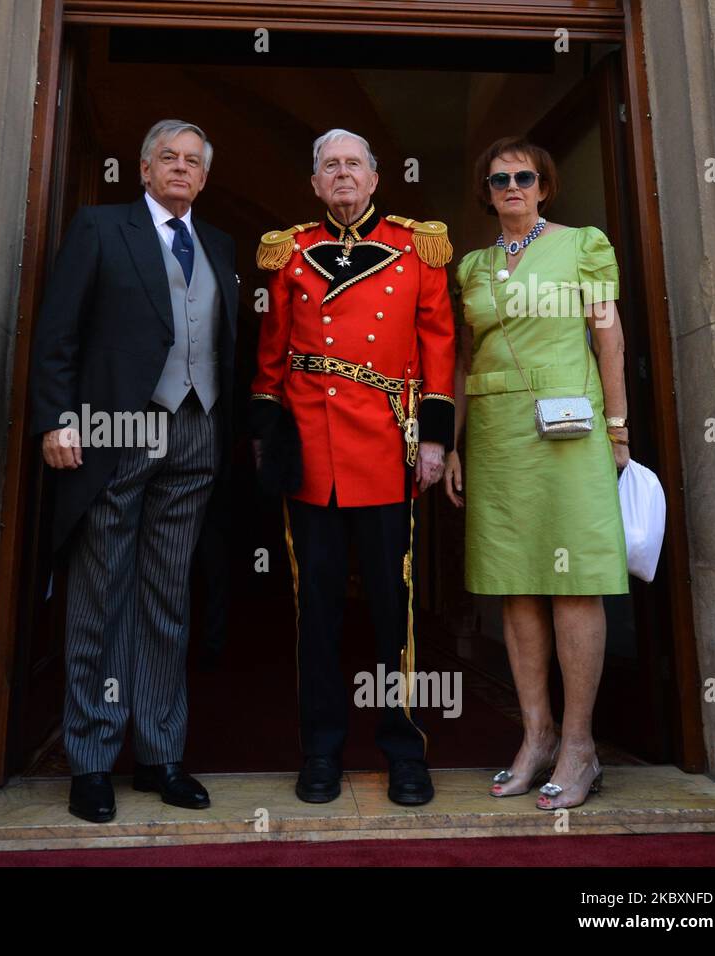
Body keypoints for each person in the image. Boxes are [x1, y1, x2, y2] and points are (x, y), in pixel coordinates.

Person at [29, 119, 239, 823]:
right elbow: (57, 332)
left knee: (167, 596)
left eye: (193, 162)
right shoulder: (100, 227)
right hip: (117, 432)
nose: (180, 169)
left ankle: (159, 754)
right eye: (168, 158)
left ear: (204, 178)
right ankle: (89, 758)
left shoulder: (217, 244)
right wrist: (56, 420)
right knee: (100, 592)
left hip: (196, 433)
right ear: (143, 170)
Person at [250, 128, 456, 806]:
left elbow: (437, 346)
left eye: (353, 166)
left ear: (374, 179)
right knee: (317, 609)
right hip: (310, 451)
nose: (342, 176)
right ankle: (321, 751)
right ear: (315, 184)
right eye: (330, 167)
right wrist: (266, 436)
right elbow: (271, 357)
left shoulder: (414, 247)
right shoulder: (291, 251)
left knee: (394, 611)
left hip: (385, 446)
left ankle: (403, 750)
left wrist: (435, 439)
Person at [444, 136, 630, 810]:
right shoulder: (470, 267)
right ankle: (537, 734)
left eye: (524, 177)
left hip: (569, 428)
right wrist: (455, 442)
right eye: (499, 180)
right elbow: (464, 361)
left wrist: (618, 426)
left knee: (575, 577)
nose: (513, 187)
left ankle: (580, 743)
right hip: (496, 435)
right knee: (514, 582)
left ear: (544, 186)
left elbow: (607, 333)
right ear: (487, 193)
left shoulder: (584, 244)